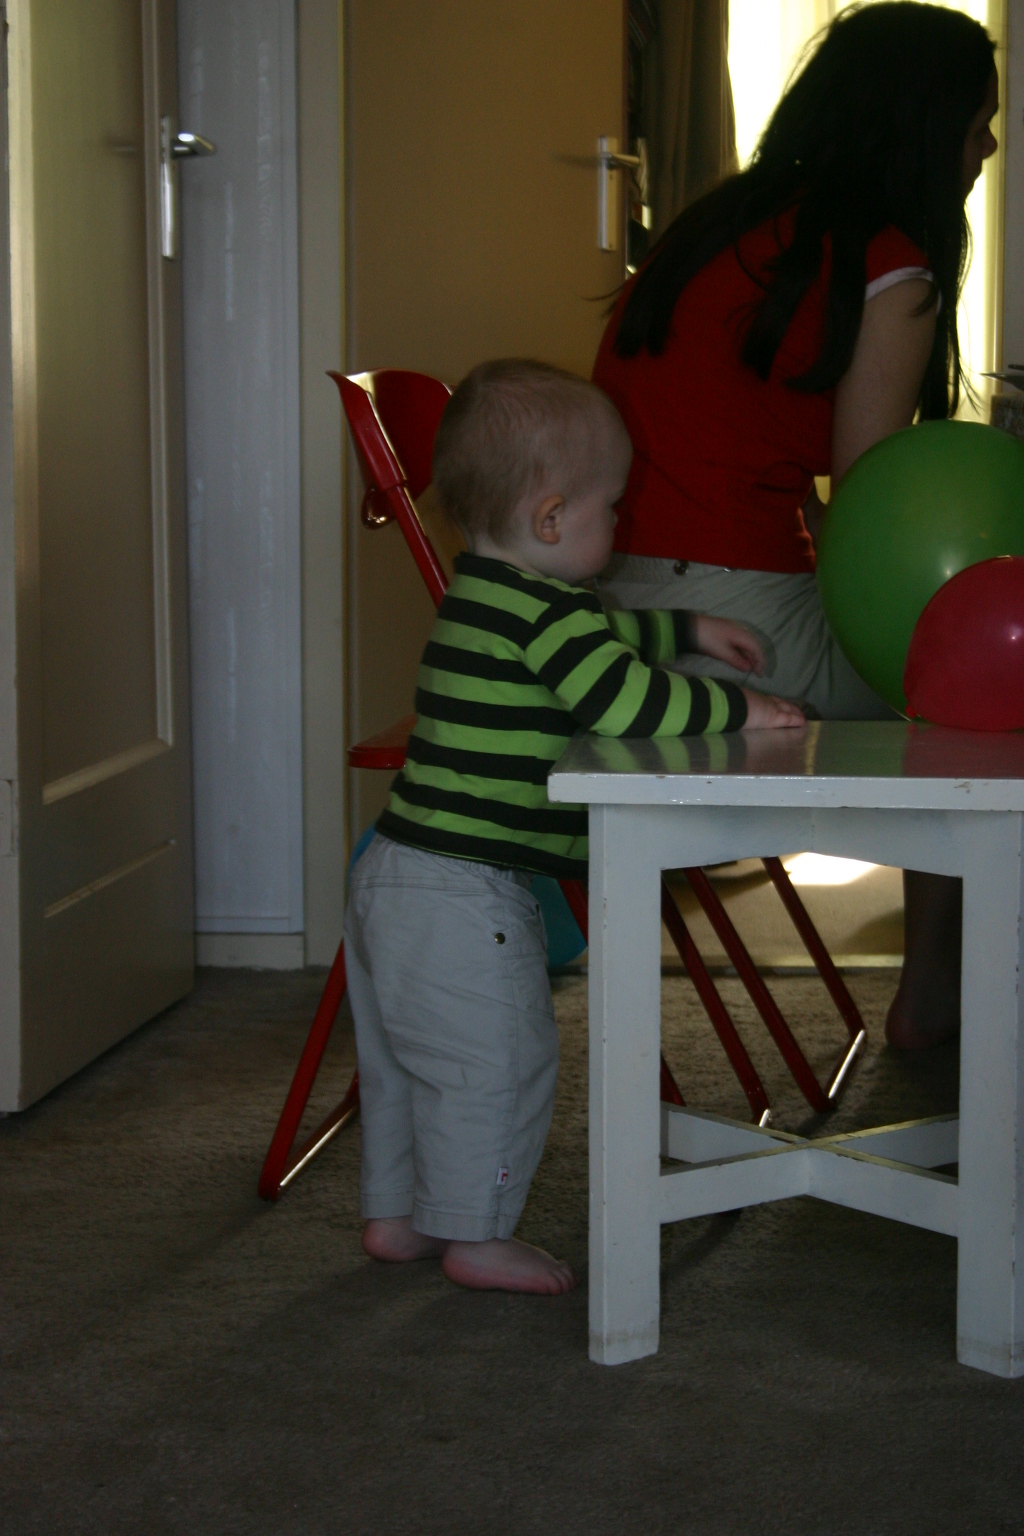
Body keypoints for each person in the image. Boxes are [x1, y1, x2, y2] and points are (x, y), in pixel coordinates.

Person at [344, 360, 804, 1297]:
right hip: (465, 889)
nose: (620, 522)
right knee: (499, 1063)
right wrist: (741, 709)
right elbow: (621, 696)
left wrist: (689, 630)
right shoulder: (545, 618)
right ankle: (476, 1234)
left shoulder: (495, 594)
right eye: (613, 507)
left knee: (402, 1063)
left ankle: (398, 1215)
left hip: (395, 870)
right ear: (553, 519)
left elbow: (605, 637)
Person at [592, 2, 999, 1050]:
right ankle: (937, 993)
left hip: (618, 621)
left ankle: (937, 987)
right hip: (733, 630)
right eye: (976, 126)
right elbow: (870, 510)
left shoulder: (716, 228)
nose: (990, 148)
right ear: (922, 129)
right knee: (976, 695)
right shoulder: (886, 263)